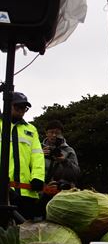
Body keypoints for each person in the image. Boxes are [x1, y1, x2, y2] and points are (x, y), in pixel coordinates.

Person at [0, 92, 45, 220]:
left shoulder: (31, 129)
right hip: (4, 192)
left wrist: (38, 177)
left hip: (27, 193)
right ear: (8, 105)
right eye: (17, 107)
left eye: (24, 108)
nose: (21, 111)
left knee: (25, 233)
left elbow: (37, 156)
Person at [42, 120, 80, 190]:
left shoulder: (69, 151)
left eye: (57, 133)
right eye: (51, 132)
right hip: (41, 189)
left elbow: (76, 173)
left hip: (62, 190)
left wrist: (65, 161)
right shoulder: (38, 148)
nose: (54, 135)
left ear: (61, 134)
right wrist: (39, 155)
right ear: (46, 133)